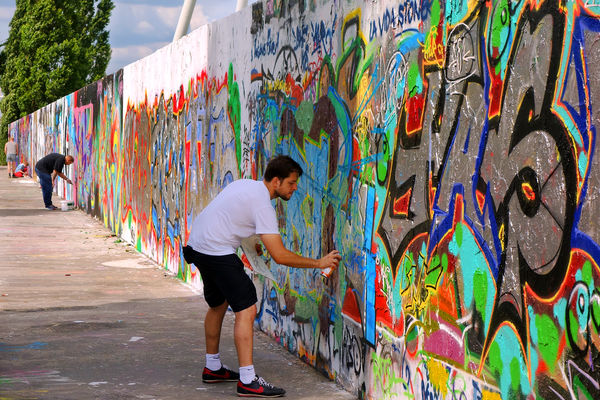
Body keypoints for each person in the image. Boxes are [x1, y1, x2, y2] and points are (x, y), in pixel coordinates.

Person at [183, 155, 341, 398]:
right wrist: (319, 262)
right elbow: (279, 255)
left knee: (218, 304)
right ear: (276, 181)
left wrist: (252, 242)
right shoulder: (263, 205)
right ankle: (248, 380)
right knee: (246, 309)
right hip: (216, 251)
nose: (295, 187)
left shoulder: (246, 185)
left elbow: (230, 217)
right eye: (291, 183)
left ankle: (213, 367)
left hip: (198, 245)